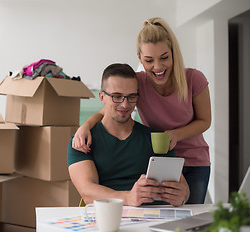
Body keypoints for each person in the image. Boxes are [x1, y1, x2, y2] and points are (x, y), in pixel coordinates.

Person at [72, 17, 211, 204]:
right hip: (159, 158)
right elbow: (110, 108)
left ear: (173, 53)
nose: (158, 67)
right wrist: (85, 126)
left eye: (164, 58)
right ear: (139, 58)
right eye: (149, 60)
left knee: (190, 216)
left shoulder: (194, 78)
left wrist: (176, 135)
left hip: (193, 160)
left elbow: (205, 121)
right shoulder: (137, 84)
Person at [67, 63, 189, 207]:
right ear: (102, 97)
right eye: (117, 96)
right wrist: (128, 197)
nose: (125, 105)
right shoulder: (83, 141)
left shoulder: (157, 139)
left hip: (155, 219)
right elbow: (87, 192)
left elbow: (183, 187)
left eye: (131, 97)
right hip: (108, 218)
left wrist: (183, 195)